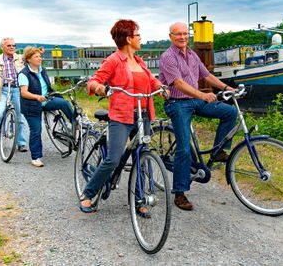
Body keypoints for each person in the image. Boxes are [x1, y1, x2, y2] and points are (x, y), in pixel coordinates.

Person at [80, 19, 166, 214]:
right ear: (128, 38)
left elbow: (152, 81)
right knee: (114, 158)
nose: (140, 38)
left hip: (143, 115)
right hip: (121, 116)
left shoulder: (140, 61)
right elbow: (94, 80)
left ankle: (140, 199)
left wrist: (161, 88)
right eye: (138, 35)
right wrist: (101, 88)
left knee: (142, 157)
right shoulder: (113, 60)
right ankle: (89, 193)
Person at [159, 22, 237, 211]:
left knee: (230, 112)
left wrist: (228, 89)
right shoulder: (167, 57)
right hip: (177, 103)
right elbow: (177, 83)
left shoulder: (192, 54)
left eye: (185, 34)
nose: (183, 37)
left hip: (194, 101)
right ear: (170, 36)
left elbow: (206, 75)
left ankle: (218, 151)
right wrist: (202, 95)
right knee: (184, 148)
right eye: (178, 34)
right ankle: (179, 192)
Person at [18, 46, 74, 167]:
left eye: (40, 56)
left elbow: (47, 87)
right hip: (32, 104)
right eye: (36, 57)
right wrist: (37, 97)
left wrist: (49, 95)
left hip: (46, 100)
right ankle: (36, 157)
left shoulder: (42, 70)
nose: (40, 59)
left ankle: (75, 124)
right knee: (36, 130)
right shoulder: (24, 74)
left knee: (63, 103)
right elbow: (24, 93)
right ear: (28, 59)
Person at [0, 37, 27, 151]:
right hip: (2, 90)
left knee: (20, 118)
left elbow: (31, 60)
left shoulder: (20, 58)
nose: (12, 47)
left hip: (17, 90)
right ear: (2, 47)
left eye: (13, 45)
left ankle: (21, 143)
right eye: (9, 45)